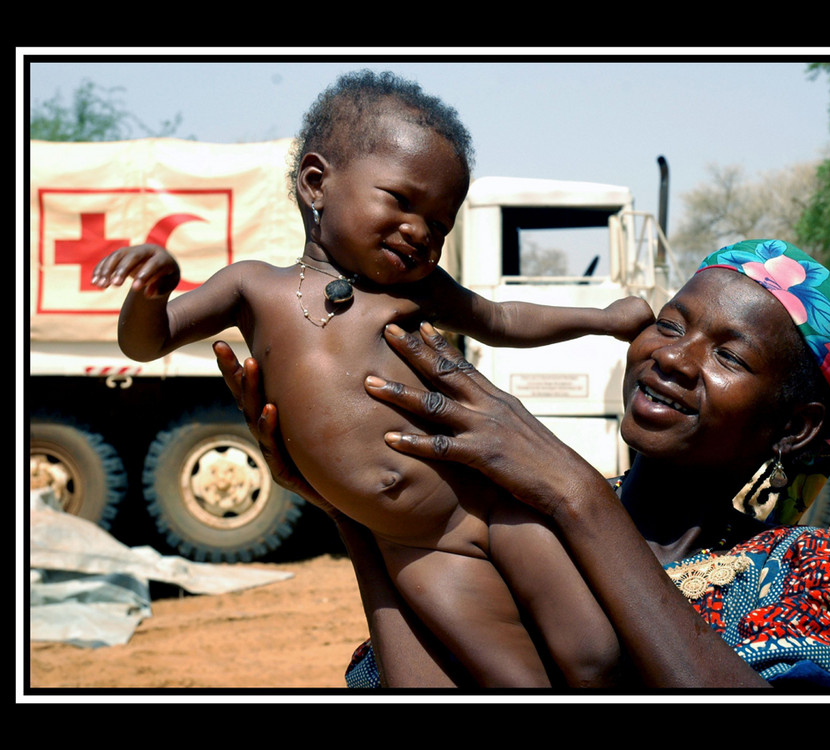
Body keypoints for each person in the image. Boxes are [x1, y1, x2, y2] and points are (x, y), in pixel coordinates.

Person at [92, 70, 654, 687]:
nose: (421, 233)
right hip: (415, 544)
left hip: (491, 501)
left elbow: (500, 318)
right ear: (316, 183)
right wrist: (152, 291)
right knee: (513, 682)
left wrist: (601, 319)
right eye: (401, 201)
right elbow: (147, 342)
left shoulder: (417, 291)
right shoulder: (252, 286)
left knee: (593, 656)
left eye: (440, 225)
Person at [216, 238, 830, 688]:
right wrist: (360, 516)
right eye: (670, 324)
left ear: (795, 429)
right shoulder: (512, 525)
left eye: (729, 355)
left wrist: (574, 490)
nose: (673, 358)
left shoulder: (808, 570)